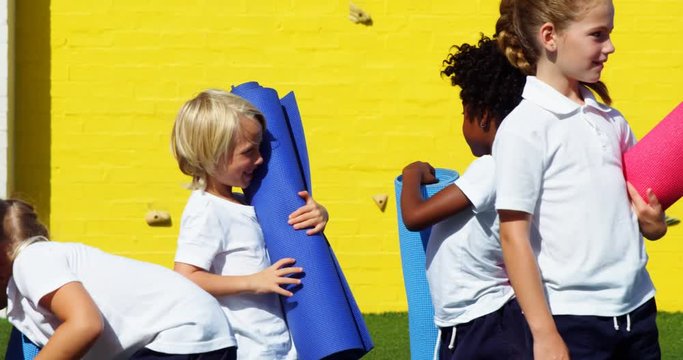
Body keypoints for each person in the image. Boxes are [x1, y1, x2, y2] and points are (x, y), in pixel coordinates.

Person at [494, 0, 667, 359]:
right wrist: (544, 335)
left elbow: (635, 215)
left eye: (609, 35)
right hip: (573, 323)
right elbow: (513, 237)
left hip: (638, 313)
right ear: (550, 37)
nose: (610, 47)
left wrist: (653, 225)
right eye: (597, 35)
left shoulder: (612, 119)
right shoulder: (524, 128)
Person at [170, 89, 329, 359]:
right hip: (245, 348)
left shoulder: (249, 202)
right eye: (249, 151)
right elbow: (186, 277)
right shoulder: (206, 210)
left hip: (277, 344)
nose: (260, 159)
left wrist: (319, 213)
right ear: (213, 153)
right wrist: (254, 282)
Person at [400, 34, 528, 359]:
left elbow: (415, 217)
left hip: (486, 323)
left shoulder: (492, 167)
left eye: (464, 112)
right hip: (467, 323)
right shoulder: (513, 163)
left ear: (482, 115)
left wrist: (412, 172)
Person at [0, 199, 237, 360]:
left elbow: (85, 325)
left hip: (184, 332)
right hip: (200, 332)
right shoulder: (27, 294)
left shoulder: (31, 260)